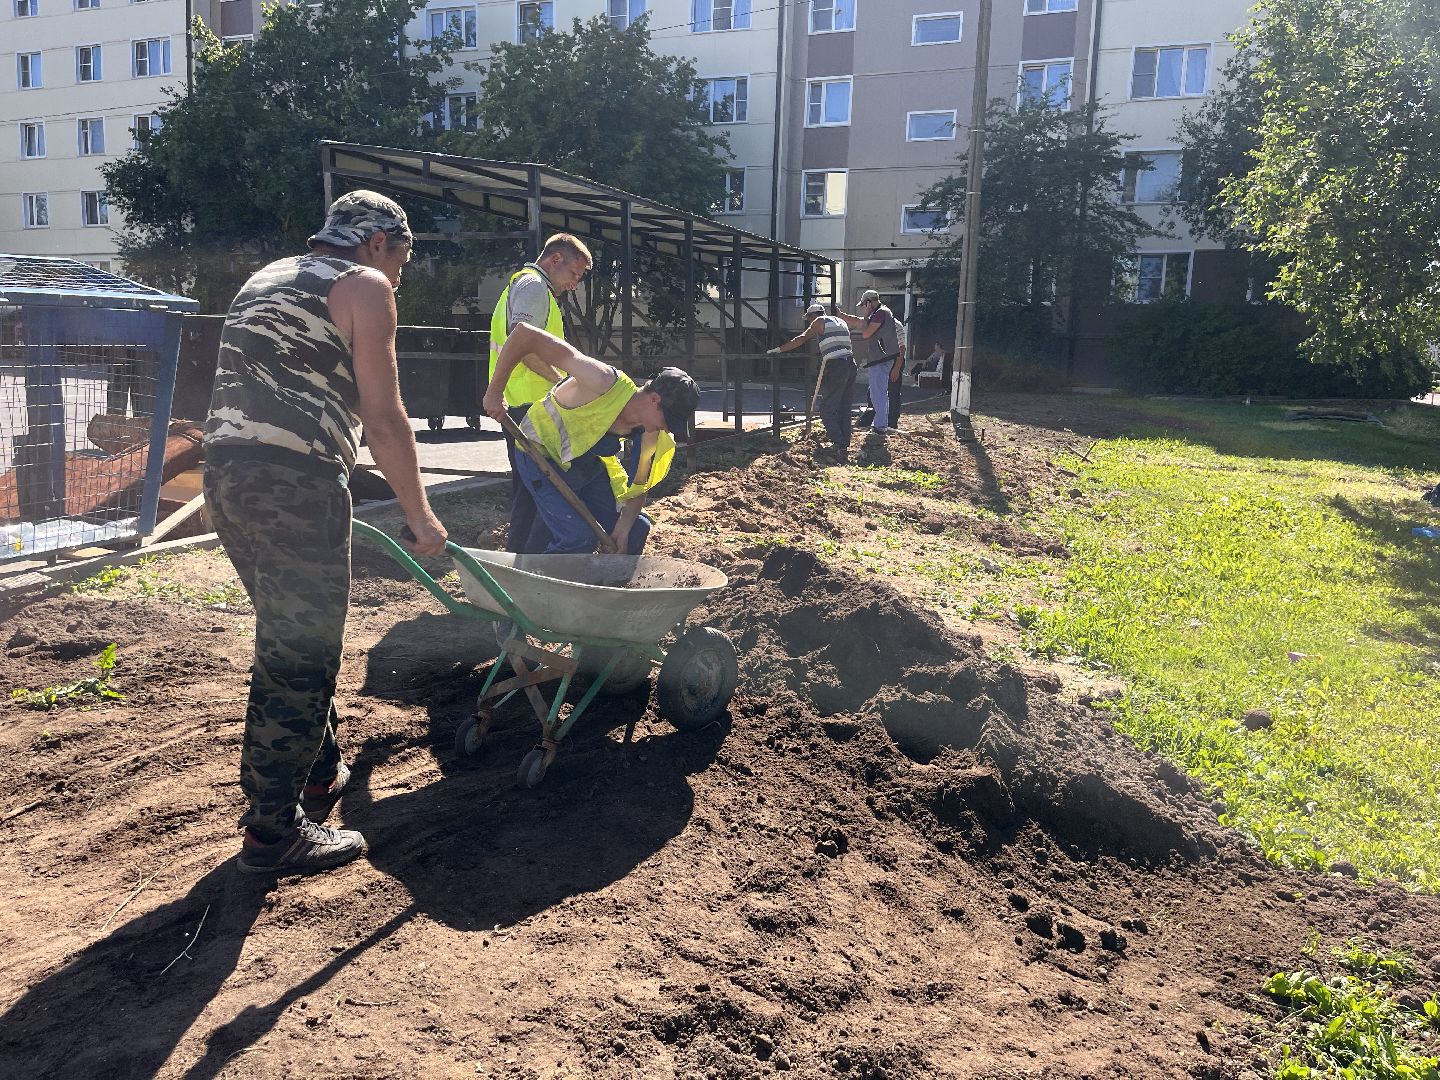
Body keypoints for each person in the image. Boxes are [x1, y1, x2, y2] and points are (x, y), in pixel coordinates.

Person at [203, 190, 448, 875]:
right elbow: (385, 413)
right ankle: (272, 833)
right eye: (401, 258)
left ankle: (321, 771)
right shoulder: (364, 285)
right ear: (376, 243)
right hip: (296, 487)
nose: (398, 275)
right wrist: (422, 517)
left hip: (226, 481)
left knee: (293, 634)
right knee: (299, 657)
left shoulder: (269, 276)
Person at [483, 322, 699, 556]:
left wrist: (623, 530)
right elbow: (524, 334)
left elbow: (639, 485)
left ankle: (609, 587)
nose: (666, 429)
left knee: (637, 529)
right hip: (539, 456)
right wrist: (495, 392)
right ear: (654, 399)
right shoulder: (602, 381)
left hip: (584, 465)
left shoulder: (651, 432)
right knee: (577, 539)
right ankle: (542, 588)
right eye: (668, 419)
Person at [489, 233, 593, 553]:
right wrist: (563, 382)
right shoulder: (533, 287)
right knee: (540, 488)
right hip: (528, 406)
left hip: (522, 403)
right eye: (574, 274)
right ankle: (528, 561)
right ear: (555, 259)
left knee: (530, 489)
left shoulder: (529, 287)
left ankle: (520, 558)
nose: (574, 284)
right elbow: (522, 345)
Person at [768, 302, 857, 463]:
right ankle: (844, 444)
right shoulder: (840, 321)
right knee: (844, 406)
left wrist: (779, 350)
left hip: (837, 365)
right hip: (850, 364)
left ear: (813, 315)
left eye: (808, 319)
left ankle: (838, 442)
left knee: (826, 408)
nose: (809, 322)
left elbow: (801, 339)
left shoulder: (819, 321)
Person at [834, 289, 902, 436]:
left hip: (882, 359)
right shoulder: (879, 314)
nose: (863, 308)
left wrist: (865, 317)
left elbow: (866, 333)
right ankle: (880, 425)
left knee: (878, 394)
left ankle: (880, 427)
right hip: (882, 358)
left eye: (864, 305)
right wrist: (841, 316)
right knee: (876, 393)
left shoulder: (880, 313)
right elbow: (859, 322)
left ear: (869, 302)